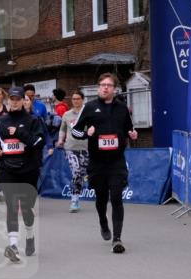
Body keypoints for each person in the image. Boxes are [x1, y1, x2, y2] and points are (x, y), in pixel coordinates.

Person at [70, 73, 138, 253]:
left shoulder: (122, 108)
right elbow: (75, 131)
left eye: (108, 85)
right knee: (101, 198)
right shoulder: (90, 107)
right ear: (99, 87)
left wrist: (132, 134)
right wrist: (87, 134)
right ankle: (103, 221)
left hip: (116, 161)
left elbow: (129, 128)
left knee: (116, 197)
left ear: (114, 89)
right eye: (102, 85)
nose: (105, 87)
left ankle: (117, 239)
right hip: (97, 162)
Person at [0, 86, 46, 262]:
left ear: (24, 100)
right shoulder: (0, 121)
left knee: (26, 207)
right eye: (12, 99)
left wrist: (21, 133)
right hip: (8, 169)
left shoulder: (33, 120)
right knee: (11, 205)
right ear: (8, 101)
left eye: (17, 99)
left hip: (28, 169)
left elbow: (38, 143)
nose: (14, 102)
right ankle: (13, 245)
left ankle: (30, 236)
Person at [57, 89, 89, 212]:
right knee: (75, 171)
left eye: (78, 99)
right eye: (73, 99)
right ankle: (74, 200)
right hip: (70, 148)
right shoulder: (67, 114)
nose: (75, 101)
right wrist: (60, 140)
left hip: (85, 148)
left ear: (82, 100)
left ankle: (77, 196)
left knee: (80, 174)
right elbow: (62, 129)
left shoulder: (87, 113)